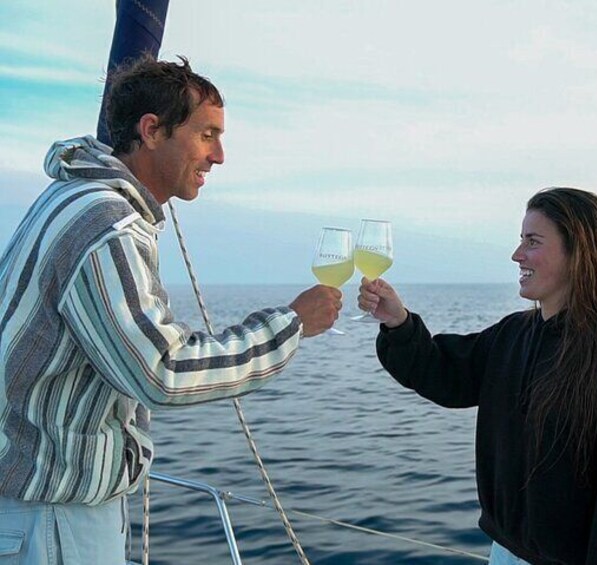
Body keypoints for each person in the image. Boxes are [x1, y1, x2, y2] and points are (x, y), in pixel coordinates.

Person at [0, 56, 341, 564]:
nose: (219, 155)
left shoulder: (70, 197)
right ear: (152, 130)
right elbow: (162, 371)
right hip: (53, 517)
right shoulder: (105, 223)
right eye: (207, 134)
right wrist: (289, 325)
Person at [358, 187, 597, 564]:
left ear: (579, 254)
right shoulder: (513, 335)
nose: (517, 254)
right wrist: (398, 323)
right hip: (505, 552)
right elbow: (444, 373)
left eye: (533, 241)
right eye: (520, 239)